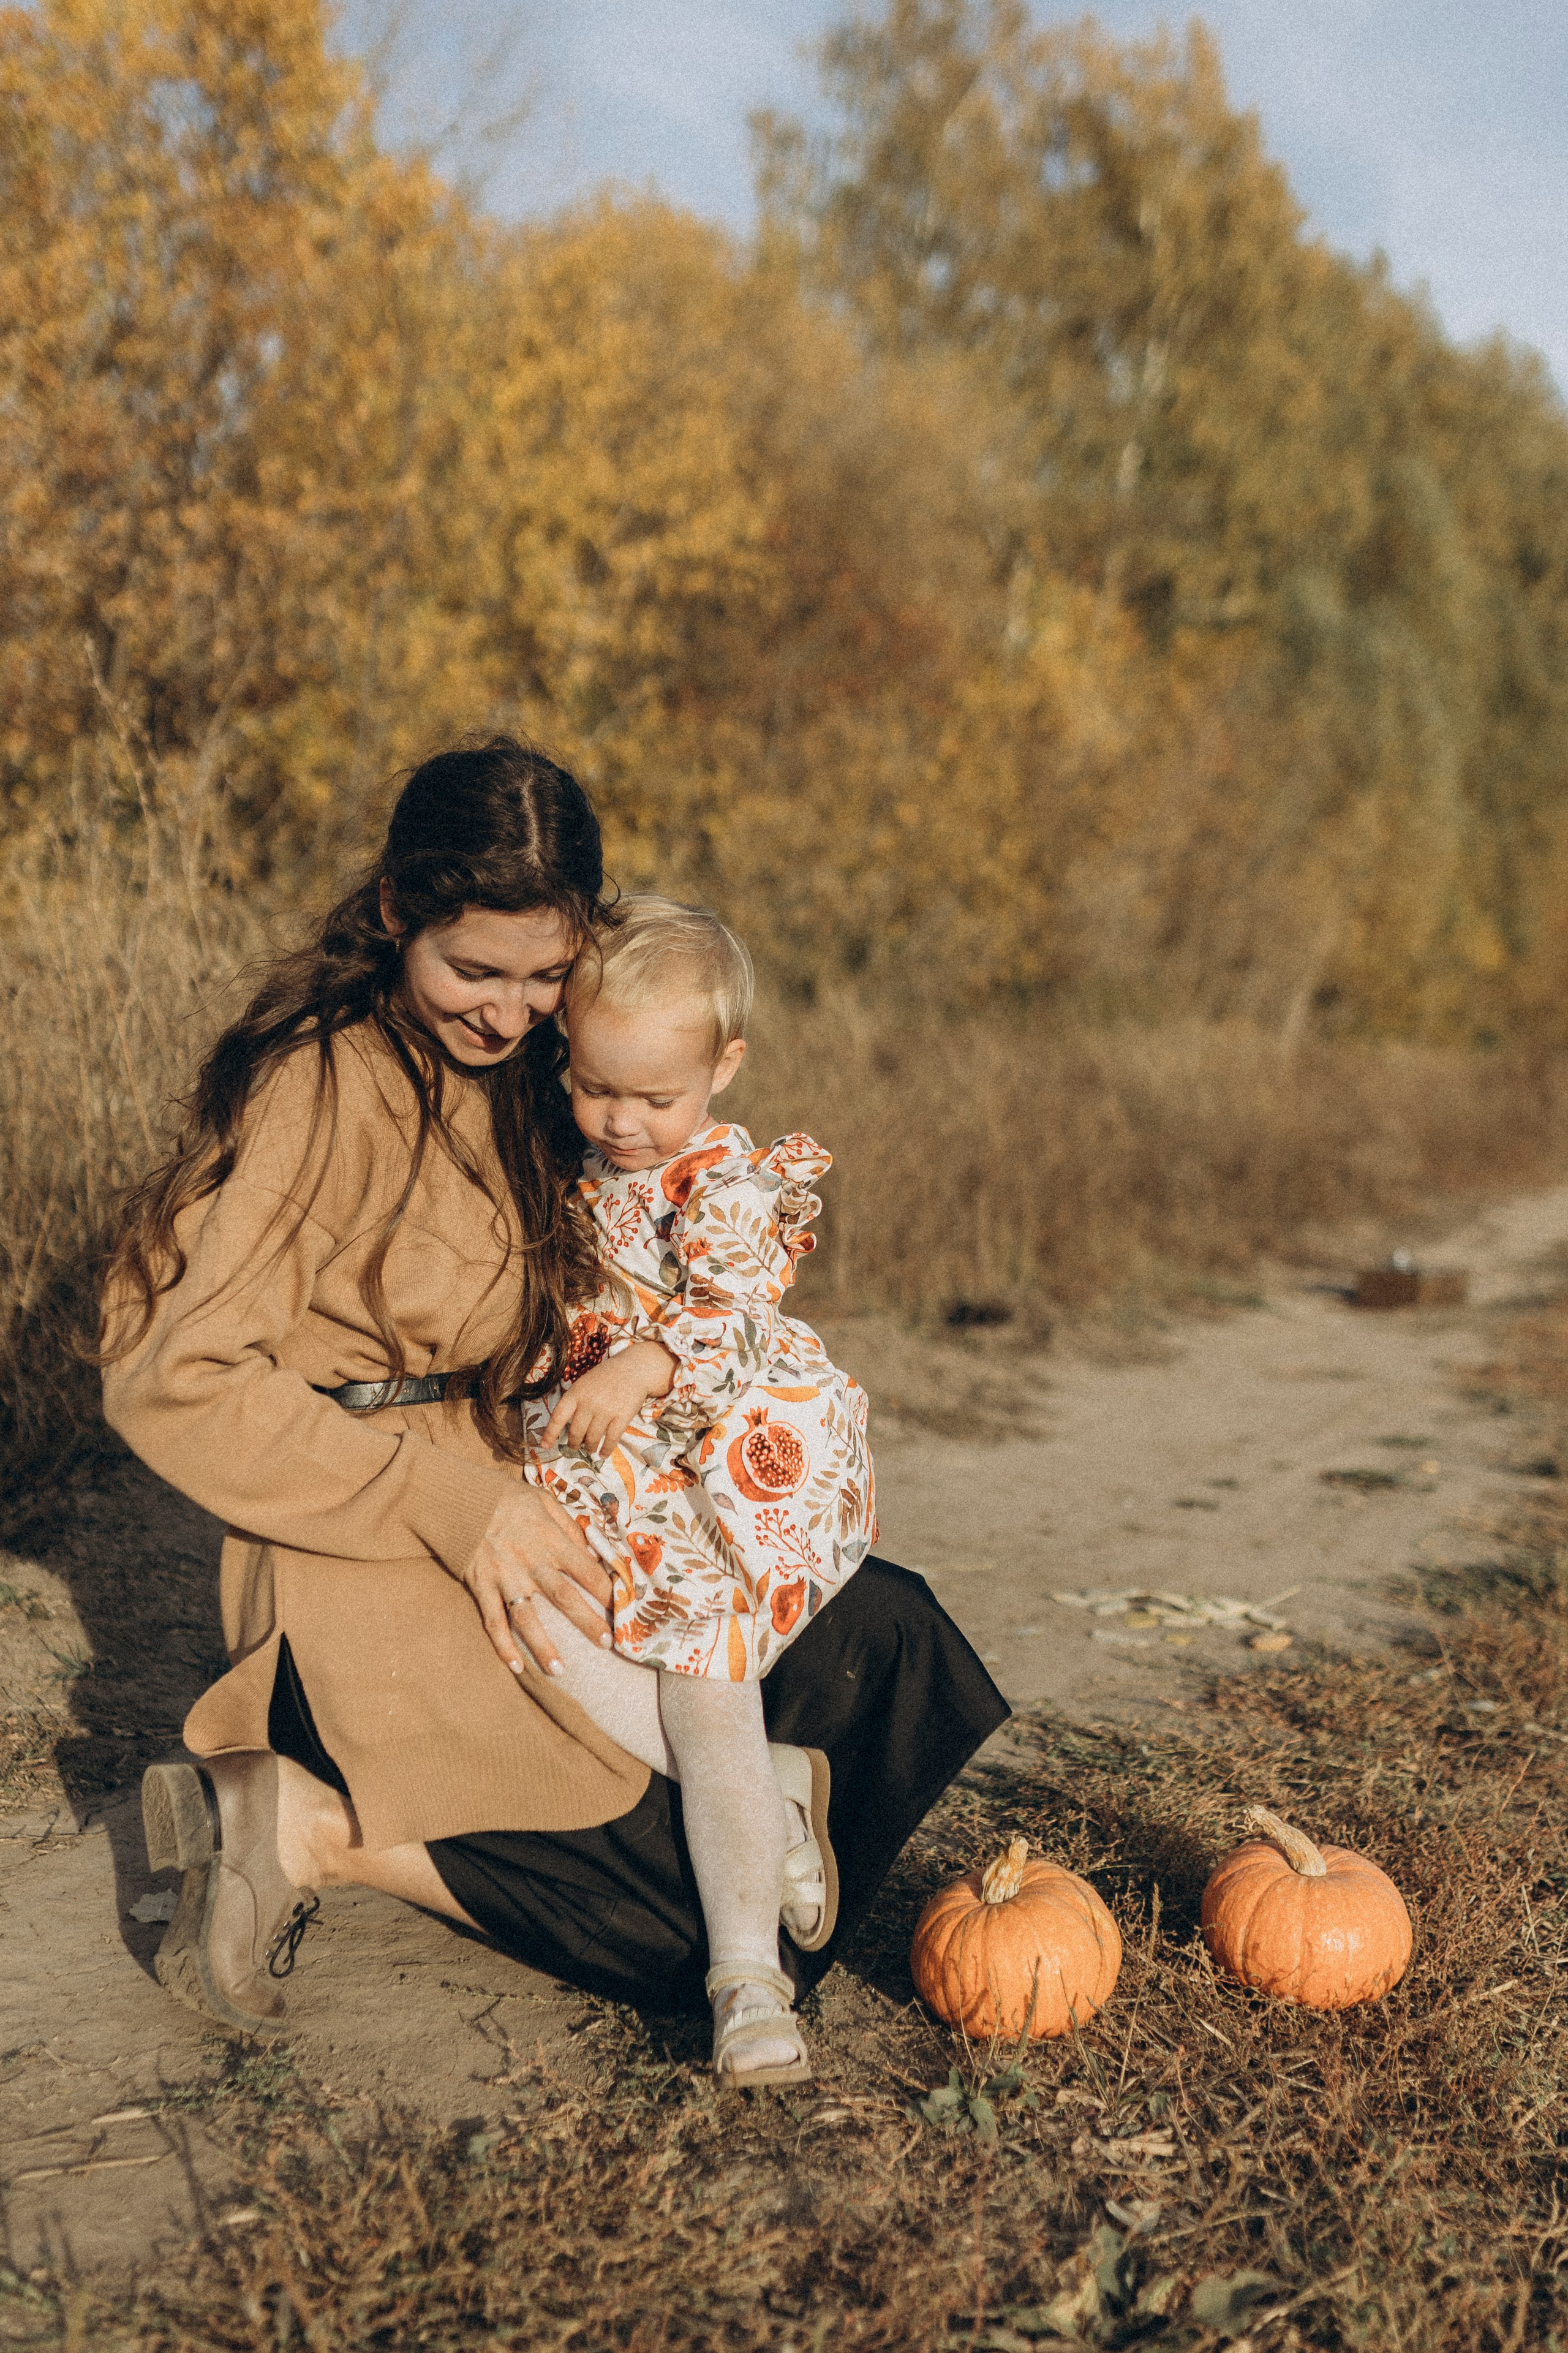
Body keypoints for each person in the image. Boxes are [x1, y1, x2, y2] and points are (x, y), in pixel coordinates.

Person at [99, 736, 1008, 2081]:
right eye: (475, 971)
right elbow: (170, 1372)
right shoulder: (320, 1085)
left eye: (544, 979)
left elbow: (669, 1167)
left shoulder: (545, 1068)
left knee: (892, 1637)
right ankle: (299, 1822)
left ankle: (748, 1788)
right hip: (366, 1528)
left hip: (536, 1478)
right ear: (400, 912)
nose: (510, 1014)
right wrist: (455, 1505)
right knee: (698, 1923)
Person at [513, 896, 876, 2083]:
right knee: (537, 1633)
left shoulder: (720, 1184)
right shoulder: (586, 1164)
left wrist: (644, 1358)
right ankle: (770, 1801)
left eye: (651, 1098)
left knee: (704, 1695)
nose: (617, 1122)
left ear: (721, 1069)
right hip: (595, 1478)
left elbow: (728, 1311)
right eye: (591, 1086)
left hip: (701, 1488)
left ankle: (746, 1977)